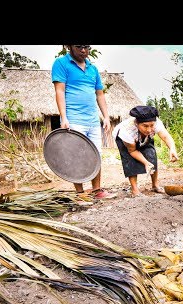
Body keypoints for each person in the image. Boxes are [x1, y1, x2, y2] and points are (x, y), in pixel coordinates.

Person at [51, 45, 112, 200]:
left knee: (96, 155)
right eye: (79, 46)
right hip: (74, 119)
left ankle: (97, 190)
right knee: (75, 156)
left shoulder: (93, 69)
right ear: (69, 46)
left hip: (92, 119)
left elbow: (99, 94)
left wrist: (106, 116)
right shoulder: (61, 63)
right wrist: (64, 117)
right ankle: (80, 193)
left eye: (86, 46)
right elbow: (60, 91)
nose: (83, 50)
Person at [112, 105, 179, 197]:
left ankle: (155, 185)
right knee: (129, 160)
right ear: (137, 123)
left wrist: (172, 149)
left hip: (142, 137)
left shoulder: (156, 123)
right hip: (125, 140)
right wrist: (145, 162)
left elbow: (166, 136)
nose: (149, 129)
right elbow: (132, 151)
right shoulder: (126, 131)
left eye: (152, 125)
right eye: (145, 126)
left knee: (151, 154)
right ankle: (135, 190)